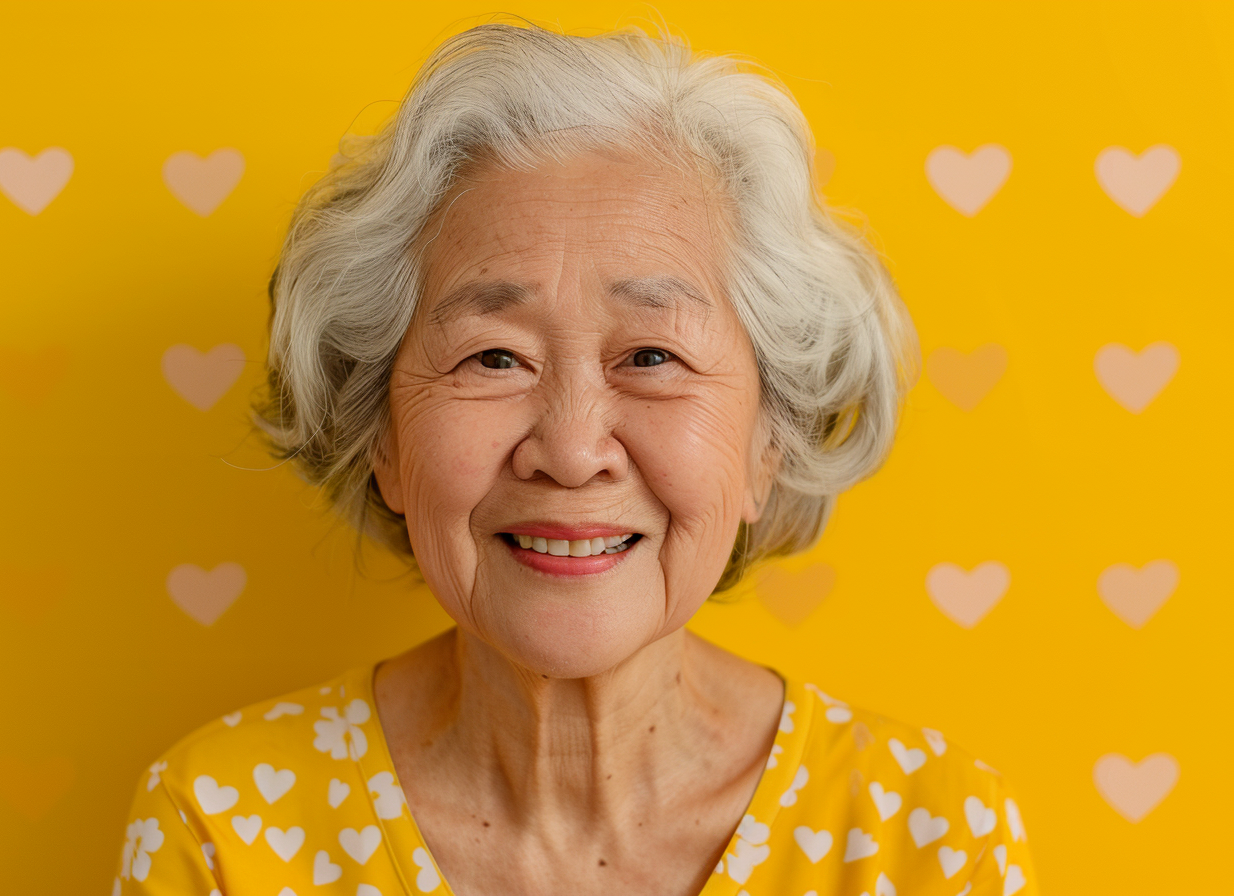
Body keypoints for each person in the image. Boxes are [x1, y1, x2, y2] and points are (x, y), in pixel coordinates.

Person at [113, 21, 1039, 896]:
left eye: (651, 357)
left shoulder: (922, 836)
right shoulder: (222, 827)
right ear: (382, 440)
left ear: (768, 445)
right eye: (494, 357)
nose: (569, 450)